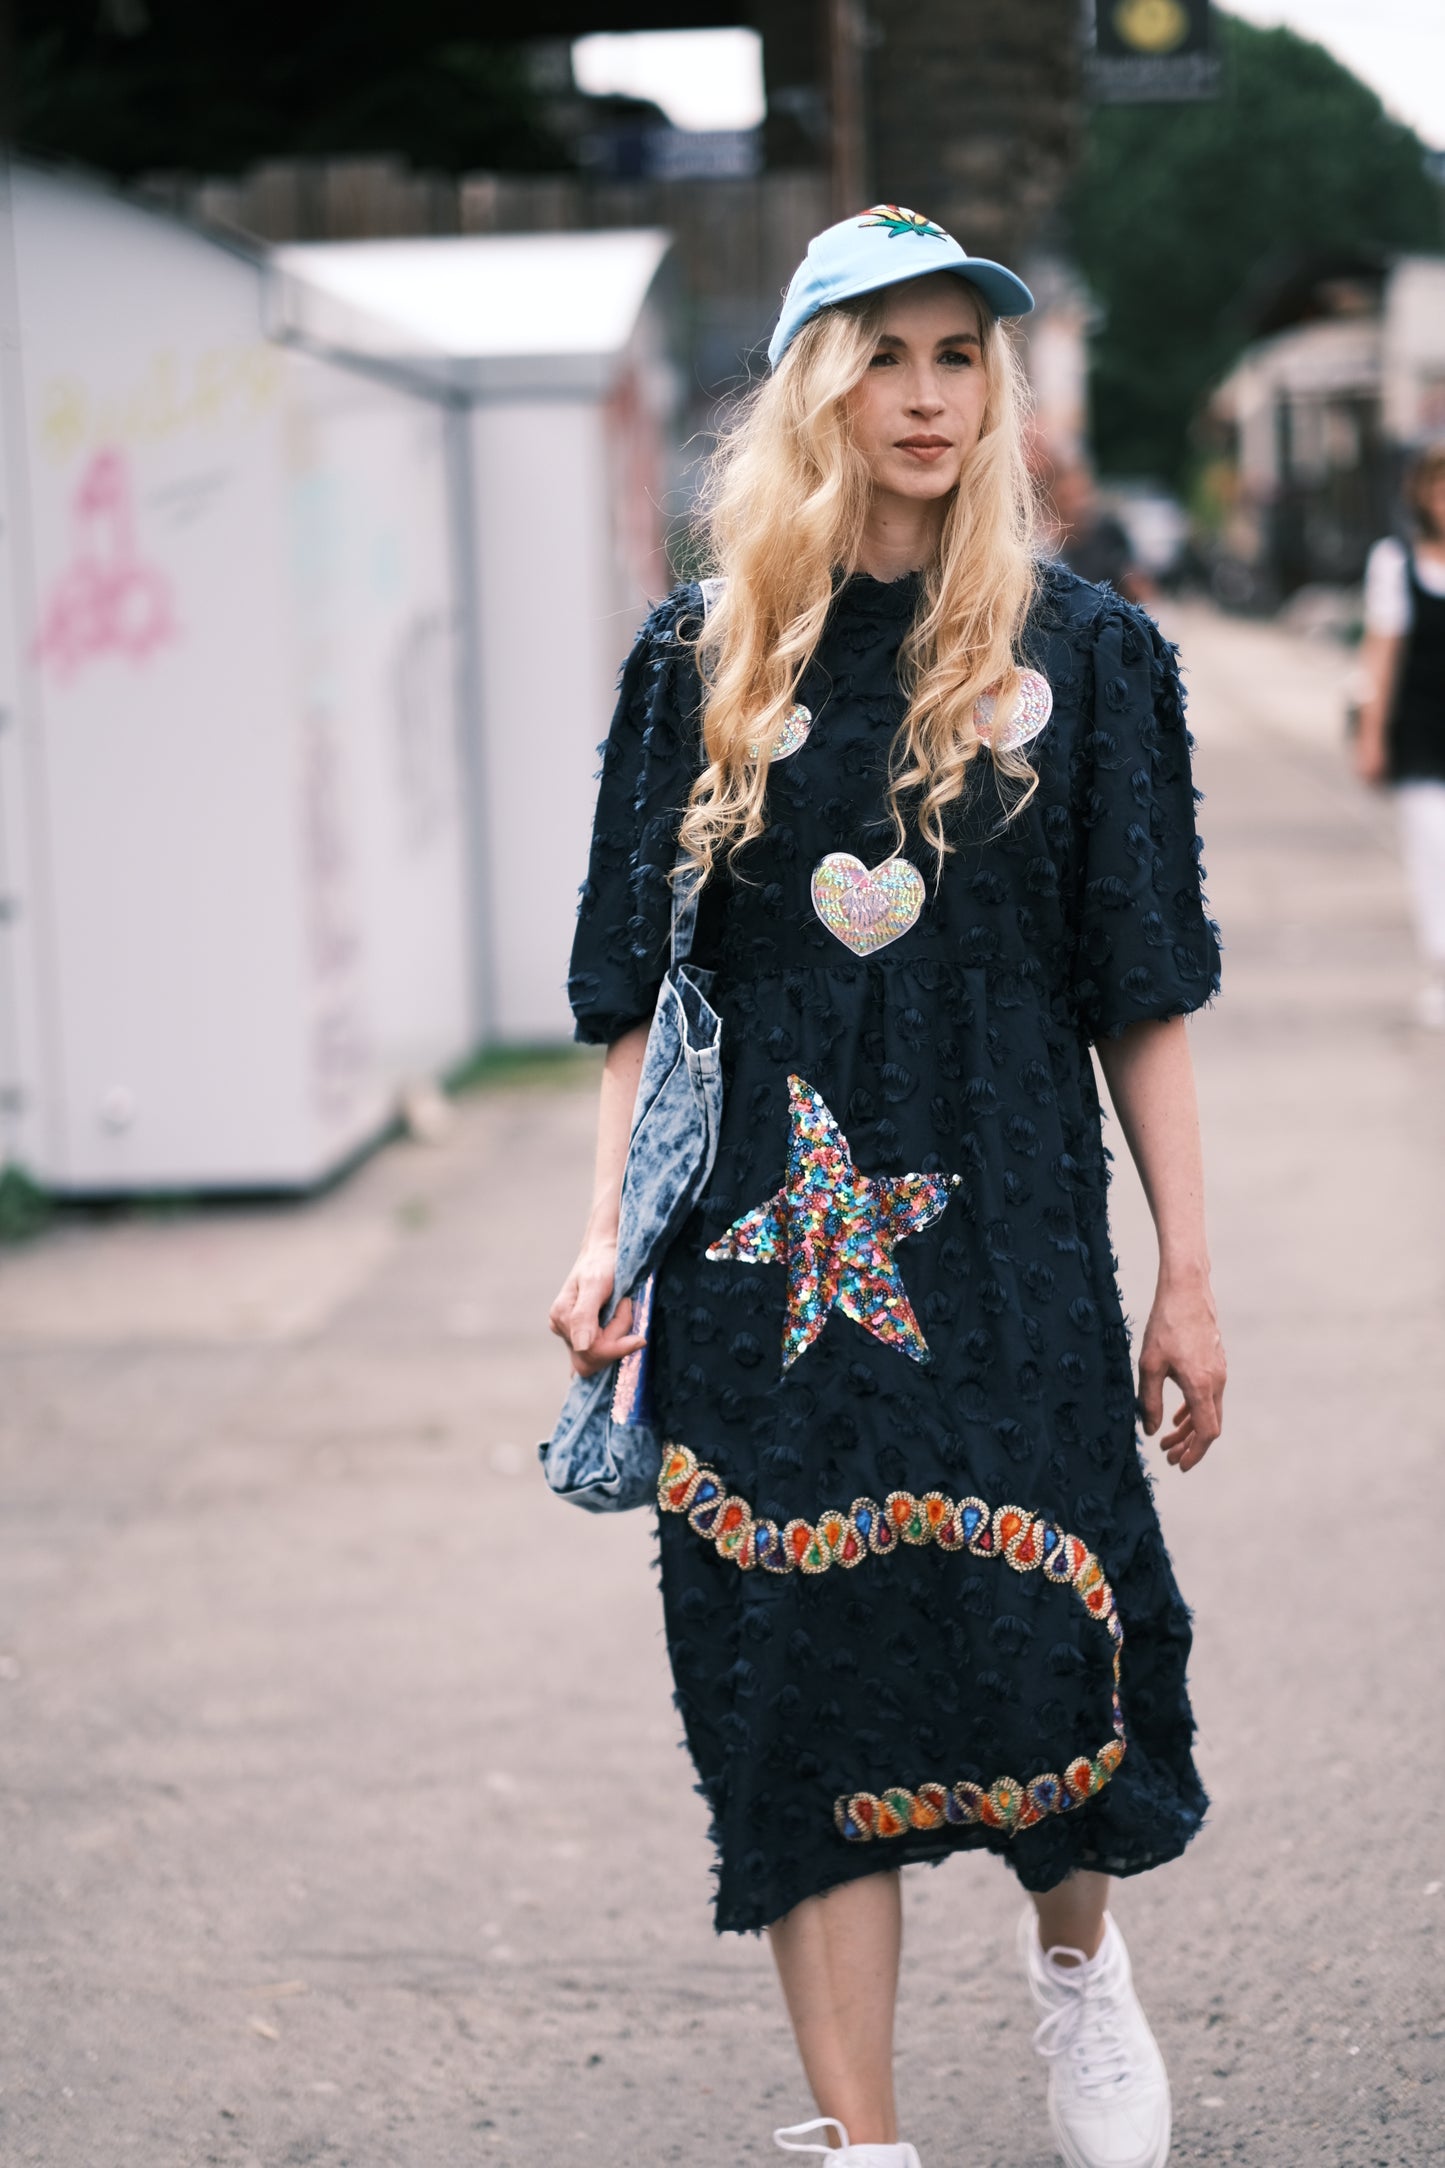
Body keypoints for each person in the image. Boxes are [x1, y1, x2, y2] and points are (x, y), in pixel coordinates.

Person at [551, 205, 1226, 2168]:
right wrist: (604, 1232)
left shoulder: (1086, 658)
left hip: (1012, 1246)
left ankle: (1074, 1965)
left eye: (955, 356)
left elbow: (1143, 986)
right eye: (877, 350)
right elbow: (637, 1000)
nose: (920, 394)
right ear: (804, 383)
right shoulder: (696, 662)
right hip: (754, 1274)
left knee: (1035, 1643)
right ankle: (862, 2140)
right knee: (798, 1689)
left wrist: (1185, 1274)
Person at [1355, 442, 1445, 1029]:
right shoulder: (1396, 563)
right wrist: (1371, 732)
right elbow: (1380, 656)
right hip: (1423, 736)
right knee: (1432, 858)